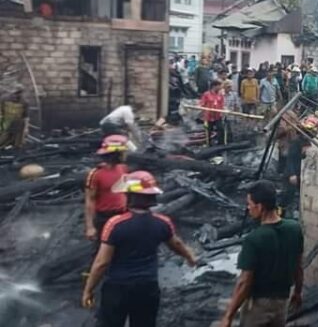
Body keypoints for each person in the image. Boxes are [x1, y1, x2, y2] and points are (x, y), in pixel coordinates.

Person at [82, 171, 197, 327]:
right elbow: (176, 244)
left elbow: (102, 263)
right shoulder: (162, 223)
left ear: (130, 196)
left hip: (118, 287)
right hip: (147, 286)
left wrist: (89, 289)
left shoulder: (115, 224)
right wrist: (190, 257)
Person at [218, 180, 304, 327]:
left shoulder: (254, 239)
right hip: (281, 303)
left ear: (260, 207)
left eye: (250, 204)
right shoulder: (295, 229)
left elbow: (245, 282)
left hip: (258, 306)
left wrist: (229, 315)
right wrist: (297, 292)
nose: (248, 208)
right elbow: (298, 266)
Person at [85, 135, 130, 243]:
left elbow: (126, 193)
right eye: (123, 152)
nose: (125, 155)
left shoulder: (124, 169)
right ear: (116, 153)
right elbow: (90, 200)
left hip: (122, 214)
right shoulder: (95, 174)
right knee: (103, 247)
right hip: (104, 218)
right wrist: (90, 227)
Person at [200, 80, 226, 146]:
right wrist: (204, 115)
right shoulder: (206, 94)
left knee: (221, 129)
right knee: (208, 131)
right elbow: (202, 104)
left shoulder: (220, 95)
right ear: (214, 86)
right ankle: (208, 144)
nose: (220, 87)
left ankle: (221, 144)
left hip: (218, 116)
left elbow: (222, 104)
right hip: (208, 117)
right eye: (219, 86)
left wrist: (223, 111)